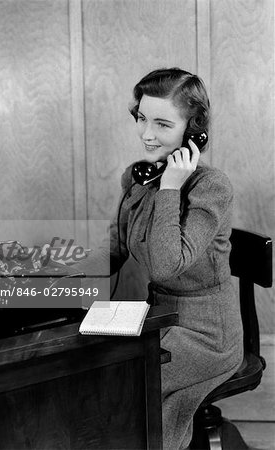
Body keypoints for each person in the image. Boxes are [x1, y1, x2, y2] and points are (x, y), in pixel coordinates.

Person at [74, 67, 243, 450]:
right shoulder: (138, 179)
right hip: (158, 320)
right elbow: (117, 248)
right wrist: (54, 278)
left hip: (206, 335)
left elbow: (168, 264)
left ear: (193, 131)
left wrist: (170, 188)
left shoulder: (211, 187)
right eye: (142, 118)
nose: (146, 134)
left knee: (127, 387)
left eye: (162, 124)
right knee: (91, 373)